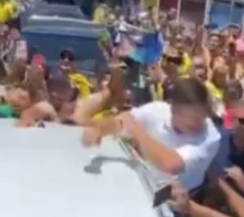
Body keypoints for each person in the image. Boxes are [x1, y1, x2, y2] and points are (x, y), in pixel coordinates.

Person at [81, 78, 220, 190]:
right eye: (193, 119)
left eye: (202, 117)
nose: (199, 124)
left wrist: (136, 131)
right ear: (173, 110)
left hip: (178, 204)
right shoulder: (157, 109)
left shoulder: (210, 137)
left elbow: (170, 164)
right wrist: (100, 130)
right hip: (142, 184)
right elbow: (122, 121)